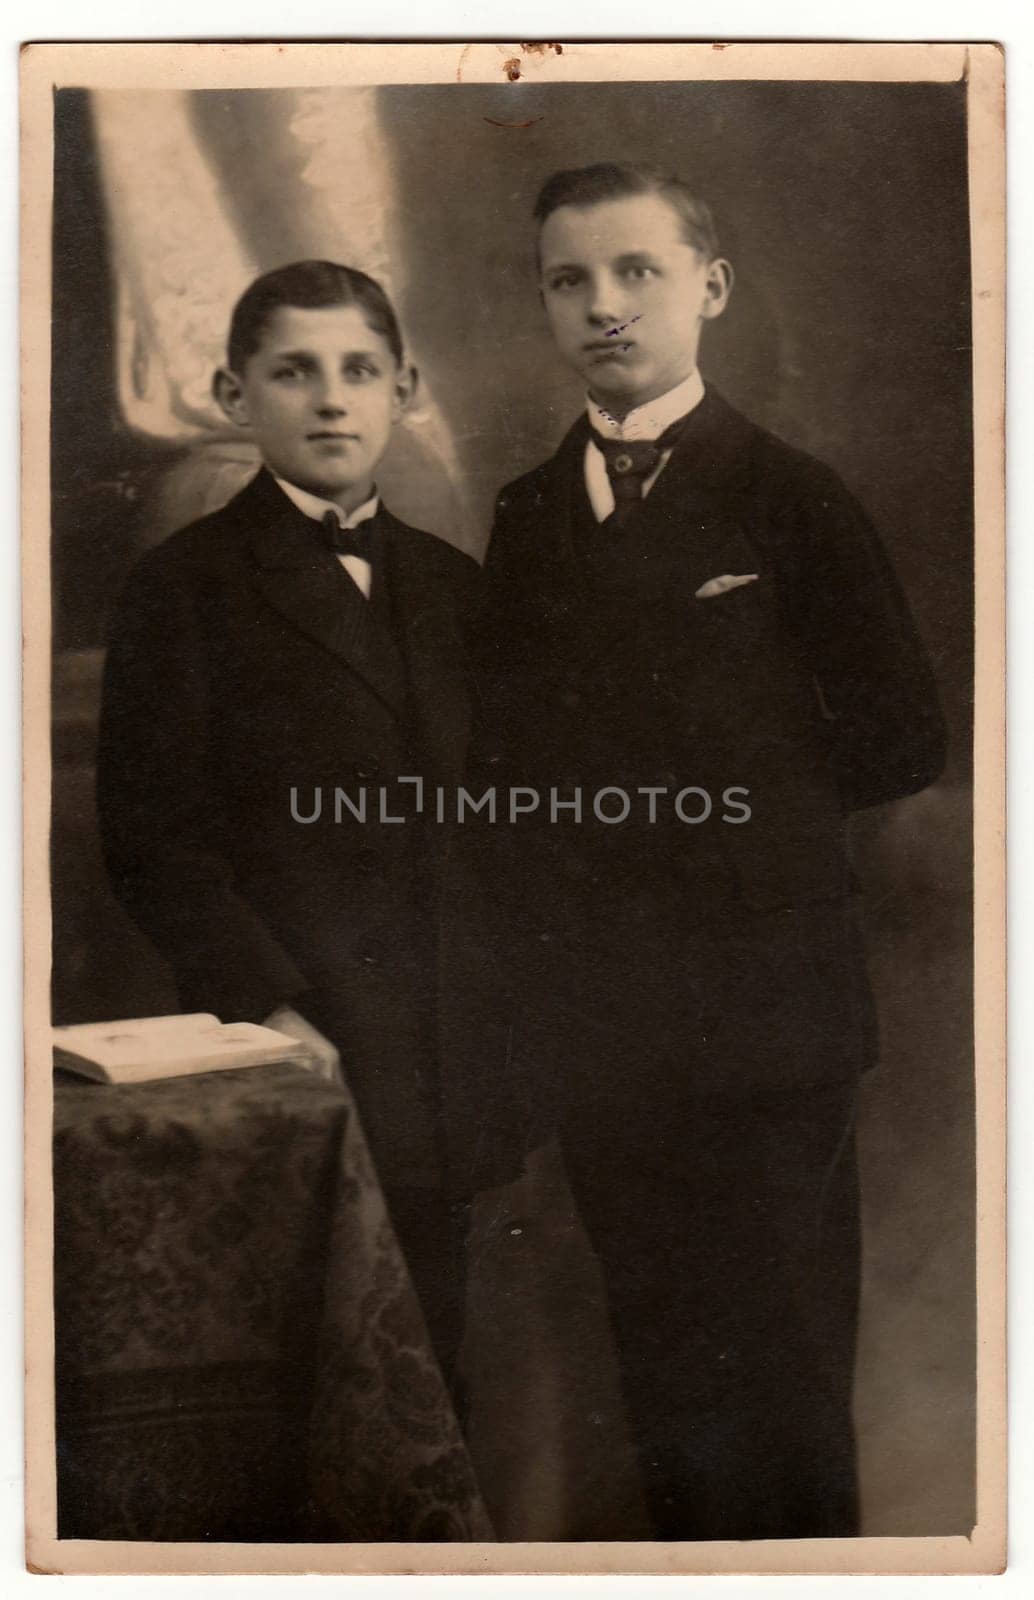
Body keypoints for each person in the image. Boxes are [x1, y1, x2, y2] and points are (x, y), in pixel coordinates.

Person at [466, 163, 947, 1539]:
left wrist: (708, 819)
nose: (603, 308)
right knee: (663, 1372)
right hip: (607, 1029)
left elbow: (897, 739)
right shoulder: (527, 515)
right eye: (571, 280)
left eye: (637, 273)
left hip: (765, 1022)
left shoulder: (790, 497)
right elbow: (509, 769)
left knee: (779, 1379)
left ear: (710, 290)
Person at [97, 260, 479, 1389]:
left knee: (430, 1369)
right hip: (288, 1042)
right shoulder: (182, 591)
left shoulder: (455, 587)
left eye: (359, 370)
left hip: (439, 1057)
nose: (330, 399)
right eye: (293, 372)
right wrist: (267, 1006)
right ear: (232, 394)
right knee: (298, 1376)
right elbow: (153, 839)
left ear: (403, 388)